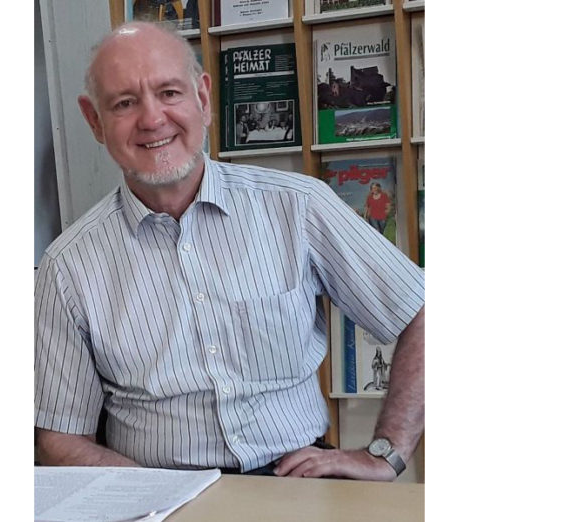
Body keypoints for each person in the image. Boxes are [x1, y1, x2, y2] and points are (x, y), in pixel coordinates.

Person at [34, 21, 425, 481]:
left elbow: (421, 311)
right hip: (160, 492)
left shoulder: (298, 207)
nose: (153, 119)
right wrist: (152, 496)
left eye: (169, 93)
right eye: (124, 103)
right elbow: (60, 439)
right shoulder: (67, 268)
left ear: (203, 98)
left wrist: (385, 452)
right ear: (94, 121)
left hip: (298, 484)